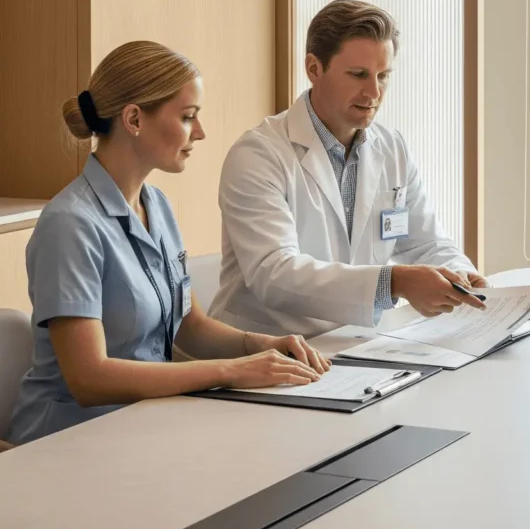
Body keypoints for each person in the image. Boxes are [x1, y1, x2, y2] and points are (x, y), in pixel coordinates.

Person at [6, 42, 331, 446]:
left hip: (143, 427)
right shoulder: (69, 224)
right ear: (134, 119)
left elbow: (188, 326)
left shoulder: (155, 205)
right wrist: (231, 371)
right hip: (67, 443)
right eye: (188, 116)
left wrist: (262, 345)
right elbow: (90, 379)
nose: (200, 132)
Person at [209, 0, 486, 337]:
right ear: (313, 68)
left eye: (383, 76)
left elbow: (426, 244)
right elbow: (274, 274)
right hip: (269, 348)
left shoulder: (392, 148)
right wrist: (393, 282)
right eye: (358, 75)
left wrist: (459, 275)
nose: (374, 92)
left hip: (356, 345)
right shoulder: (258, 154)